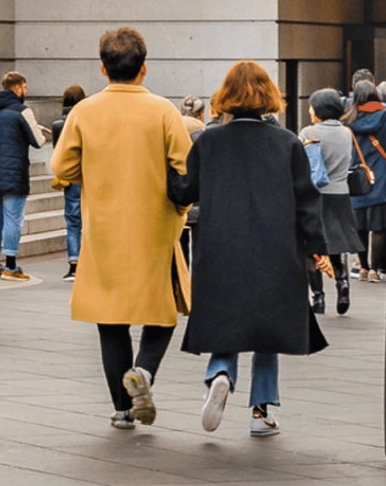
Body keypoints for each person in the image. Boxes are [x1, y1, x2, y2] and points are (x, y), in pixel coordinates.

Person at [170, 61, 332, 437]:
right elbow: (307, 201)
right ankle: (261, 412)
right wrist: (318, 249)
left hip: (220, 247)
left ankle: (220, 373)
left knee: (227, 319)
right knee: (267, 329)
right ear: (268, 97)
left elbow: (183, 191)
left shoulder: (207, 141)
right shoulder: (288, 143)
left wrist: (166, 172)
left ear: (225, 96)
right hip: (275, 248)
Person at [50, 27, 193, 430]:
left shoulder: (84, 111)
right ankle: (144, 372)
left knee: (110, 321)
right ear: (144, 68)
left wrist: (89, 174)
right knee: (163, 312)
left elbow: (61, 168)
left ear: (102, 68)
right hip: (157, 225)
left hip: (104, 227)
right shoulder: (164, 111)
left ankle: (122, 408)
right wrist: (180, 204)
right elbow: (187, 169)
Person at [299, 88, 362, 314]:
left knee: (313, 247)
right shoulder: (347, 133)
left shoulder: (309, 131)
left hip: (315, 196)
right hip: (340, 195)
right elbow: (351, 160)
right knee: (337, 245)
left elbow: (299, 164)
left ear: (319, 109)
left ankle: (318, 297)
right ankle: (342, 283)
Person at [0, 71, 43, 281]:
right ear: (17, 88)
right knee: (13, 220)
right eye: (25, 87)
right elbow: (39, 140)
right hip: (15, 175)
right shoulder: (22, 111)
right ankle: (11, 266)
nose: (26, 91)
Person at [347, 79, 386, 282]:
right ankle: (374, 270)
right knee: (379, 227)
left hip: (358, 177)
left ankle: (362, 268)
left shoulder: (349, 119)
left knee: (360, 225)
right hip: (382, 176)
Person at [52, 84, 86, 282]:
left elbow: (58, 153)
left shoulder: (58, 125)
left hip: (70, 177)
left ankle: (73, 264)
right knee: (89, 220)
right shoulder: (89, 120)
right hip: (88, 175)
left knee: (73, 221)